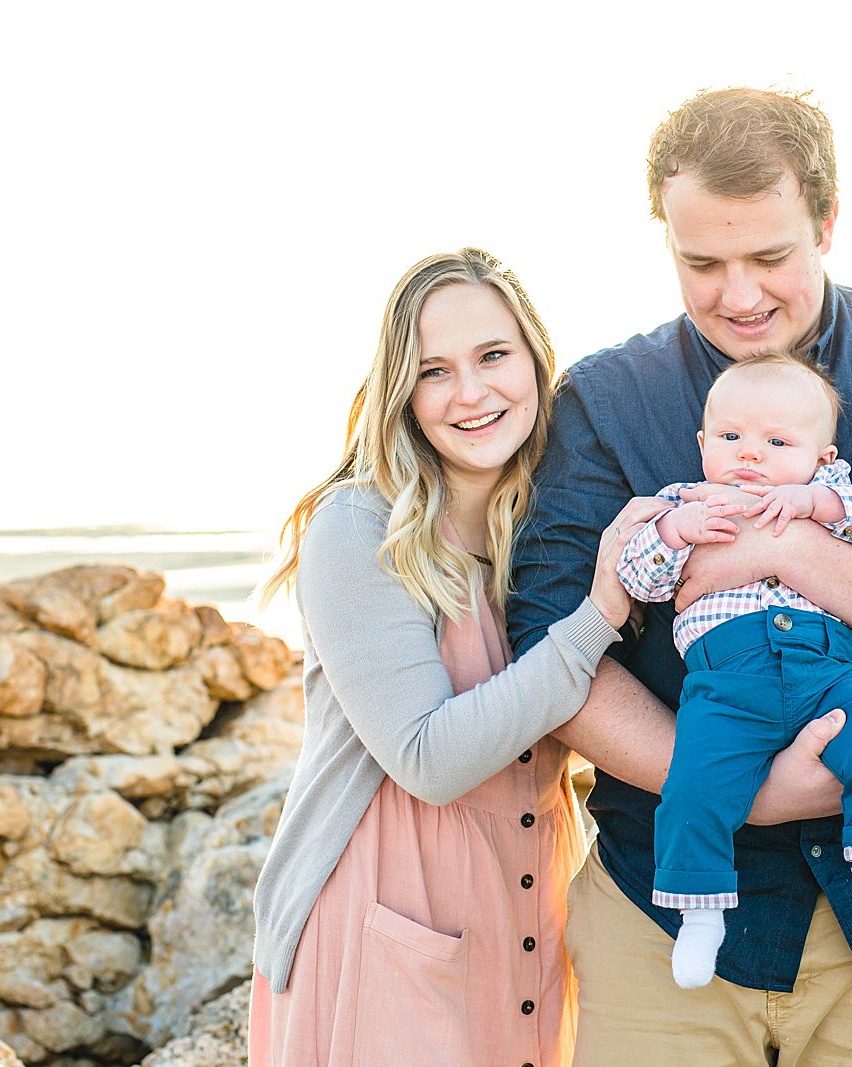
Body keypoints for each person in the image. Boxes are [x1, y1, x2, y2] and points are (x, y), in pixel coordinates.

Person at [508, 89, 852, 1066]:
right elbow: (549, 645)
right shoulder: (604, 402)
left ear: (828, 218)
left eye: (769, 256)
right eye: (702, 263)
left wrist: (790, 548)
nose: (739, 295)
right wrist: (742, 791)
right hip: (659, 921)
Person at [246, 247, 665, 1067]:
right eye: (435, 370)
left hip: (527, 910)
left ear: (537, 364)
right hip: (381, 919)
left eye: (493, 356)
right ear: (403, 392)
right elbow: (429, 758)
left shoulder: (550, 533)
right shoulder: (357, 526)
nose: (471, 393)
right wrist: (600, 613)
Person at [616, 351, 852, 989]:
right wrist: (675, 532)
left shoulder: (833, 498)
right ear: (703, 445)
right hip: (724, 684)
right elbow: (638, 580)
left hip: (828, 673)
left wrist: (817, 504)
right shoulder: (685, 502)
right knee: (692, 787)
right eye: (731, 438)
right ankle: (699, 914)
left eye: (776, 441)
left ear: (822, 455)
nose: (750, 455)